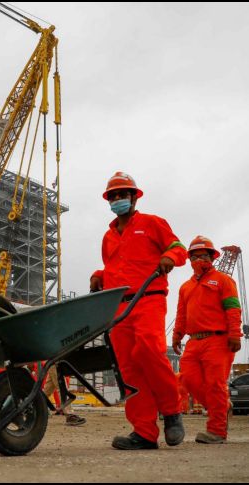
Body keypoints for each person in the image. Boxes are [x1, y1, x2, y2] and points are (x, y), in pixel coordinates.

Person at [90, 172, 187, 450]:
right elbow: (114, 268)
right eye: (114, 196)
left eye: (123, 194)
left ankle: (171, 410)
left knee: (149, 349)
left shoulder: (152, 223)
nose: (118, 199)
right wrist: (99, 274)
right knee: (128, 368)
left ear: (134, 196)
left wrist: (169, 257)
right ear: (109, 201)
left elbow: (177, 247)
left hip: (149, 298)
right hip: (118, 306)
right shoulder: (108, 237)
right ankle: (144, 432)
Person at [172, 236, 242, 444]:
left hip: (218, 341)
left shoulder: (223, 280)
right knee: (188, 380)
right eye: (194, 256)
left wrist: (235, 334)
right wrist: (177, 335)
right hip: (194, 342)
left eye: (203, 255)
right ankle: (220, 406)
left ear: (212, 257)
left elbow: (232, 308)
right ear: (189, 259)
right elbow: (181, 314)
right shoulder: (185, 287)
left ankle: (217, 431)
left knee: (215, 384)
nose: (198, 260)